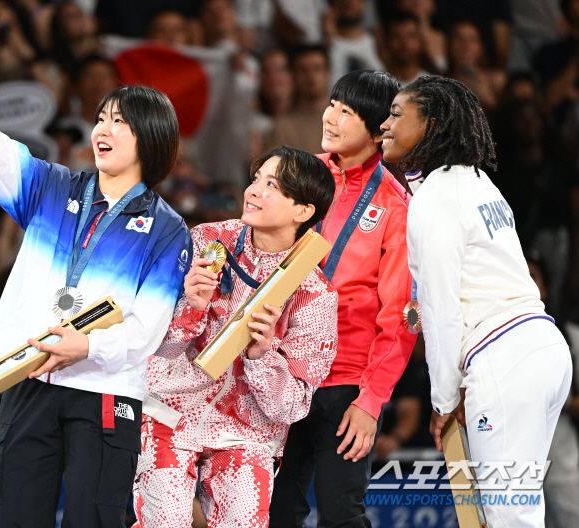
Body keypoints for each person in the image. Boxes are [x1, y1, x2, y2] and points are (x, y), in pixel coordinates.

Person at [0, 36, 192, 528]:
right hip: (29, 375)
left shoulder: (167, 229)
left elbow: (148, 328)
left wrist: (87, 348)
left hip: (106, 389)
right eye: (102, 119)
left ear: (150, 138)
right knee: (12, 516)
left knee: (95, 518)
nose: (103, 129)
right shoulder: (51, 187)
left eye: (120, 122)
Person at [380, 75, 572, 528]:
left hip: (504, 356)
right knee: (516, 509)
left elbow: (442, 308)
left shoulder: (436, 195)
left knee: (509, 516)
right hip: (540, 348)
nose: (384, 124)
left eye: (396, 114)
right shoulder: (478, 180)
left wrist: (443, 399)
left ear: (432, 124)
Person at [133, 145, 338, 528]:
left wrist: (263, 358)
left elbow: (291, 407)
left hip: (248, 434)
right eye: (256, 179)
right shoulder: (206, 240)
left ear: (304, 211)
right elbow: (155, 347)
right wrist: (191, 306)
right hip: (169, 412)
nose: (254, 190)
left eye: (272, 185)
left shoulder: (315, 293)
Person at [270, 70, 418, 528]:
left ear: (379, 132)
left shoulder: (396, 206)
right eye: (332, 104)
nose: (329, 117)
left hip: (345, 382)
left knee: (340, 516)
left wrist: (371, 401)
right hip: (283, 372)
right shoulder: (298, 176)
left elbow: (400, 316)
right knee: (275, 512)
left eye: (346, 112)